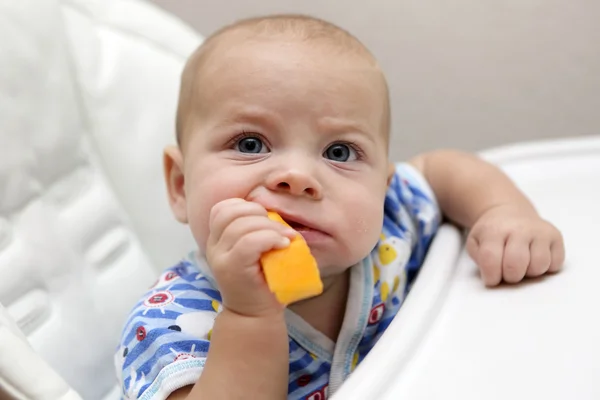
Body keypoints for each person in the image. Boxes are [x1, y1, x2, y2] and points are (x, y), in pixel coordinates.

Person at [115, 14, 565, 400]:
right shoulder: (170, 323)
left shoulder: (392, 221)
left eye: (339, 152)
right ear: (180, 185)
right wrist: (249, 315)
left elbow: (442, 168)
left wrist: (503, 212)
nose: (297, 176)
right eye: (250, 143)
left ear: (383, 186)